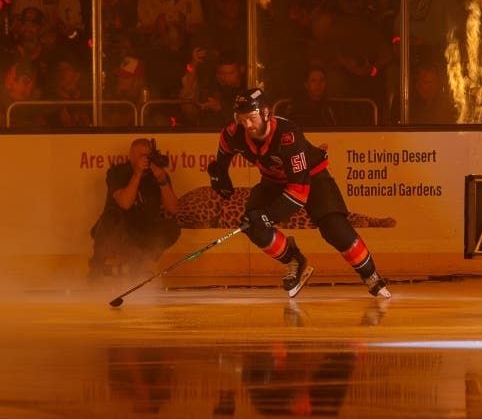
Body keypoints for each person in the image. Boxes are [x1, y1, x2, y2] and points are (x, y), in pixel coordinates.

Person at [206, 88, 390, 299]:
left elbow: (299, 191)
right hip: (273, 181)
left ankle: (370, 275)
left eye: (251, 118)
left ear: (266, 113)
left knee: (334, 229)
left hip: (311, 177)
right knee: (252, 224)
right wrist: (219, 174)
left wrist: (269, 216)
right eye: (241, 119)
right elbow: (224, 149)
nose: (247, 125)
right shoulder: (234, 132)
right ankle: (294, 260)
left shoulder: (288, 136)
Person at [89, 138, 181, 280]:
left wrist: (162, 180)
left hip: (142, 232)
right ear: (130, 156)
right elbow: (125, 203)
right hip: (119, 231)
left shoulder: (156, 175)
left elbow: (173, 209)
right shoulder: (117, 172)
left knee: (172, 227)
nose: (145, 160)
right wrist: (137, 173)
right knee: (110, 217)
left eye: (147, 156)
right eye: (141, 156)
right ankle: (97, 267)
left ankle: (138, 264)